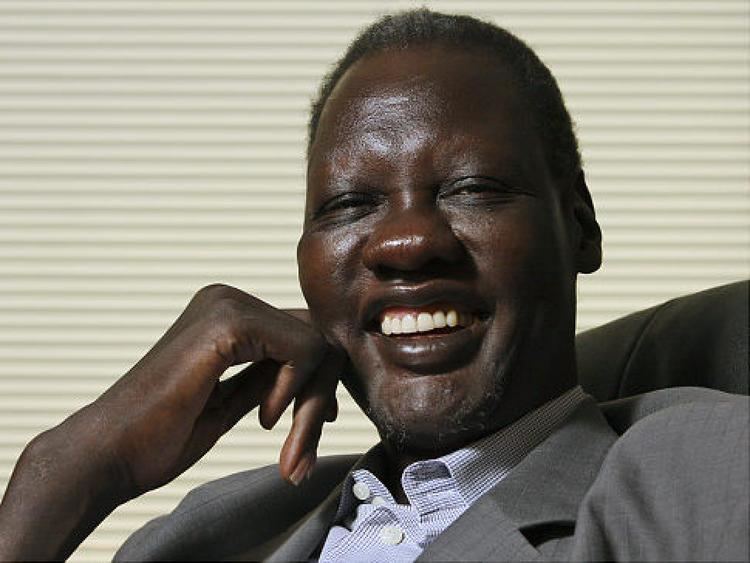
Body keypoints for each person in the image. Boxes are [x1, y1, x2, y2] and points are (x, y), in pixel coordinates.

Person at [0, 8, 747, 562]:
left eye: (474, 187)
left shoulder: (700, 474)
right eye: (350, 205)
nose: (405, 242)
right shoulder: (210, 529)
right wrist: (71, 470)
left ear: (578, 225)